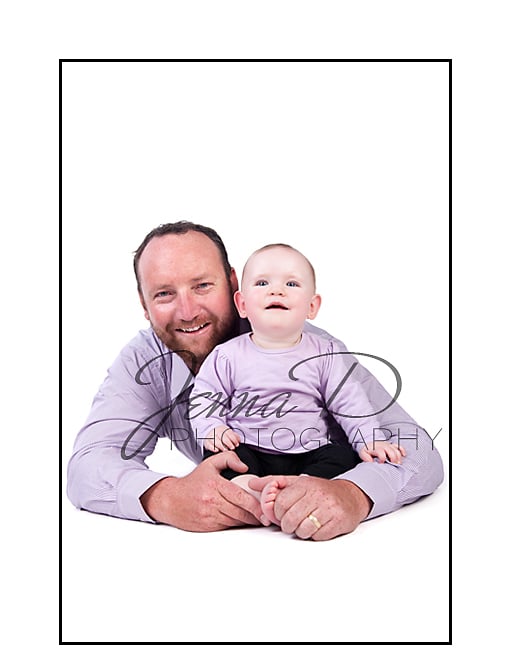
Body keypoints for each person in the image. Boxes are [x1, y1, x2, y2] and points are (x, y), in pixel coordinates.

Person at [67, 221, 443, 541]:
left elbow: (418, 450)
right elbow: (87, 466)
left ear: (234, 286)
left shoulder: (306, 346)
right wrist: (166, 497)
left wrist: (352, 494)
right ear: (143, 303)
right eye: (164, 294)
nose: (187, 311)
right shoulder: (144, 360)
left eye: (202, 286)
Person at [190, 243, 407, 527]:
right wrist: (211, 428)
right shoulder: (227, 355)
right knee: (222, 455)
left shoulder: (324, 353)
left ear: (312, 306)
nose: (276, 291)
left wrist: (369, 438)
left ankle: (300, 489)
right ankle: (250, 489)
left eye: (291, 284)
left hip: (308, 450)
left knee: (343, 455)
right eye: (262, 283)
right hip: (249, 447)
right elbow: (205, 398)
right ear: (242, 304)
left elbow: (350, 401)